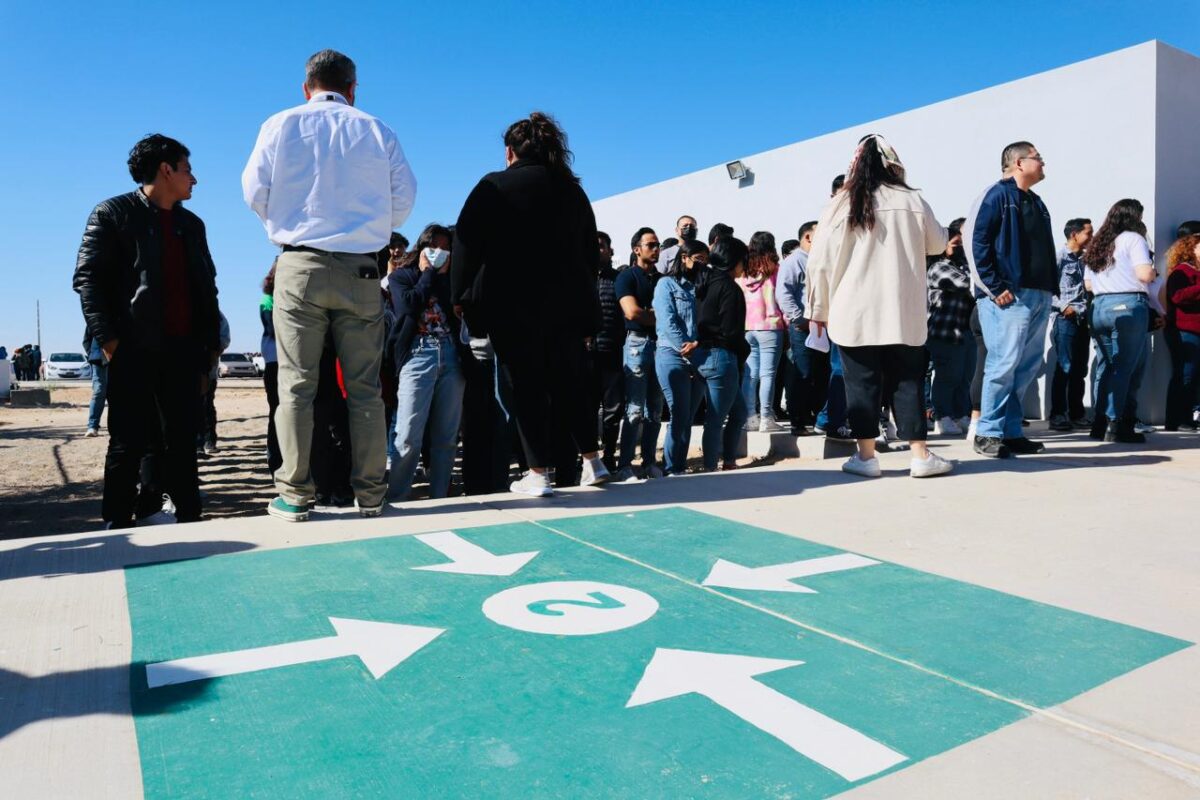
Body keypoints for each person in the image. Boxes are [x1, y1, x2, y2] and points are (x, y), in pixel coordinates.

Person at [242, 49, 417, 521]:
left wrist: (285, 222)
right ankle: (371, 493)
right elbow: (404, 198)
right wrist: (370, 230)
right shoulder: (376, 129)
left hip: (299, 264)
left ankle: (295, 494)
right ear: (352, 87)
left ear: (306, 86)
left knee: (297, 385)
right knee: (365, 388)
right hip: (361, 267)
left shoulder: (280, 124)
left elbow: (253, 190)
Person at [450, 111, 610, 497]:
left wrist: (459, 295)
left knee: (526, 387)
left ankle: (538, 472)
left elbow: (466, 243)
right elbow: (591, 251)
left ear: (509, 152)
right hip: (567, 306)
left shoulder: (494, 185)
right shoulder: (572, 191)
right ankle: (593, 460)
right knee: (571, 382)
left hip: (513, 304)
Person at [73, 133, 222, 528]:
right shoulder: (112, 213)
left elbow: (207, 288)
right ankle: (117, 524)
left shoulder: (192, 225)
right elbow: (88, 280)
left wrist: (209, 351)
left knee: (181, 443)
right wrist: (109, 341)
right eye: (188, 169)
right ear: (166, 169)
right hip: (133, 349)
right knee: (127, 442)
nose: (195, 179)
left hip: (184, 352)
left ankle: (185, 519)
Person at [807, 134, 952, 479]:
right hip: (902, 309)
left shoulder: (841, 203)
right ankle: (920, 454)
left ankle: (866, 457)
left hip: (852, 309)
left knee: (861, 384)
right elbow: (938, 242)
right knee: (908, 381)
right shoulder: (911, 199)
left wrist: (819, 308)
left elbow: (820, 262)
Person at [964, 141, 1056, 459]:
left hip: (1039, 294)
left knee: (1025, 367)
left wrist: (1050, 291)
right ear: (1018, 163)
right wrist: (992, 286)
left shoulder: (1038, 202)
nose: (1043, 162)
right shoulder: (997, 195)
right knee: (1002, 364)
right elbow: (975, 240)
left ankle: (1011, 431)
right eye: (1037, 158)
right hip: (1008, 295)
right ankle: (987, 431)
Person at [386, 224, 468, 499]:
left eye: (446, 249)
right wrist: (429, 273)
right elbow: (408, 305)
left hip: (451, 356)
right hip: (418, 355)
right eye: (434, 247)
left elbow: (455, 307)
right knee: (408, 434)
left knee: (446, 437)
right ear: (422, 248)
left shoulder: (451, 279)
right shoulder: (401, 276)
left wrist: (442, 278)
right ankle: (398, 496)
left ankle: (440, 494)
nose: (440, 253)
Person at [1083, 199, 1157, 443]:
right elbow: (1144, 274)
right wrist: (1154, 271)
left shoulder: (1098, 244)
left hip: (1100, 306)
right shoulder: (1133, 239)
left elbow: (1088, 284)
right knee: (1125, 368)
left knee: (1105, 366)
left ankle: (1099, 423)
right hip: (1127, 305)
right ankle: (1117, 425)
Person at [695, 237, 752, 471]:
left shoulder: (703, 282)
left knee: (738, 412)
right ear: (735, 261)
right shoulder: (729, 288)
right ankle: (710, 467)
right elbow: (731, 331)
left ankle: (728, 461)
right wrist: (743, 350)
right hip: (721, 355)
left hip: (701, 355)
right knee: (715, 419)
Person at [613, 227, 664, 481]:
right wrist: (657, 316)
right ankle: (624, 466)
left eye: (658, 245)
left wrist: (652, 315)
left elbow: (669, 315)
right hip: (637, 344)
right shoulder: (627, 277)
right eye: (651, 245)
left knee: (655, 408)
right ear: (637, 249)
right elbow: (631, 312)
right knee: (634, 408)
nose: (656, 249)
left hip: (660, 345)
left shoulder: (663, 280)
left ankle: (649, 462)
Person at [653, 240, 707, 475]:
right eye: (698, 259)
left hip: (698, 354)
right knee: (679, 412)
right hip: (672, 354)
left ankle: (679, 465)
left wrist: (699, 346)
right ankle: (671, 466)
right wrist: (685, 346)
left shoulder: (702, 287)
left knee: (689, 415)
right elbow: (667, 320)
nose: (703, 264)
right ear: (684, 258)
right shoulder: (666, 284)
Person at [925, 218, 975, 435]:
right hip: (945, 332)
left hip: (966, 330)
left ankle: (960, 414)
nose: (958, 248)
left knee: (966, 377)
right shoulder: (938, 268)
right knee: (948, 376)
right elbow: (965, 283)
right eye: (955, 244)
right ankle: (942, 415)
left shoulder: (963, 266)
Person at [738, 232, 787, 432]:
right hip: (771, 325)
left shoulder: (743, 271)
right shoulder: (775, 269)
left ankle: (750, 417)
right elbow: (782, 296)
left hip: (748, 326)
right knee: (768, 374)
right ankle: (766, 417)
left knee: (750, 375)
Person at [1048, 218, 1093, 430]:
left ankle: (1076, 413)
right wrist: (1063, 307)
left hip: (1083, 319)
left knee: (1079, 369)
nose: (1091, 238)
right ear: (1074, 234)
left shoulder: (1085, 260)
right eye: (1088, 233)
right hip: (1065, 319)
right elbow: (1047, 289)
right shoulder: (1058, 258)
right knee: (1064, 366)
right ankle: (1057, 414)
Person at [777, 221, 818, 434]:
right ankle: (798, 419)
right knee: (803, 372)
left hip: (822, 327)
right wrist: (798, 318)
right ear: (808, 237)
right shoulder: (794, 261)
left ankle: (814, 416)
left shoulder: (820, 259)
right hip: (803, 327)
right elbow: (783, 293)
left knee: (820, 372)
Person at [592, 231, 626, 470]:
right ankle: (587, 459)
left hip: (613, 352)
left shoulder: (620, 280)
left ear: (611, 250)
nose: (597, 250)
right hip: (583, 356)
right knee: (586, 409)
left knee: (613, 411)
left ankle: (609, 455)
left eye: (601, 246)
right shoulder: (577, 279)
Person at [1164, 233, 1200, 430]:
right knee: (1184, 375)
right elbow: (1178, 297)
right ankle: (1177, 419)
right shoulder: (1181, 271)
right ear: (1190, 249)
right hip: (1184, 331)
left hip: (1194, 330)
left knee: (1193, 377)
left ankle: (1187, 417)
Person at [84, 333, 108, 436]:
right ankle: (92, 426)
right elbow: (86, 340)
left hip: (118, 358)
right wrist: (93, 354)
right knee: (98, 391)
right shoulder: (96, 316)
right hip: (98, 360)